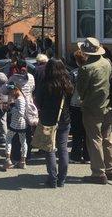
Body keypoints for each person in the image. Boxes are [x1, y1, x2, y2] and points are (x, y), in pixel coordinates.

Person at [76, 38, 112, 185]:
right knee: (107, 138)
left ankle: (99, 172)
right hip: (107, 105)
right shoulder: (107, 63)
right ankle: (110, 169)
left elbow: (81, 90)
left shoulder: (86, 68)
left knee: (94, 139)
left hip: (92, 107)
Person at [36, 59, 73, 188]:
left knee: (49, 149)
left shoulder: (46, 84)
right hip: (64, 119)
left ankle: (52, 178)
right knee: (63, 148)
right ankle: (62, 179)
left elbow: (39, 101)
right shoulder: (68, 83)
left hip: (47, 119)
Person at [68, 51, 90, 163]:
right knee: (87, 131)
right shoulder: (91, 71)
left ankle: (75, 156)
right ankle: (87, 156)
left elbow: (69, 90)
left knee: (76, 132)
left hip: (75, 104)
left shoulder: (73, 73)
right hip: (88, 104)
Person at [3, 82, 27, 170]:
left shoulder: (20, 99)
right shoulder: (20, 98)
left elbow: (21, 112)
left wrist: (12, 108)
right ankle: (22, 161)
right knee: (23, 141)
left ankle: (8, 160)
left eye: (11, 90)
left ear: (16, 89)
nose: (11, 93)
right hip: (21, 124)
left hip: (17, 123)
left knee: (9, 139)